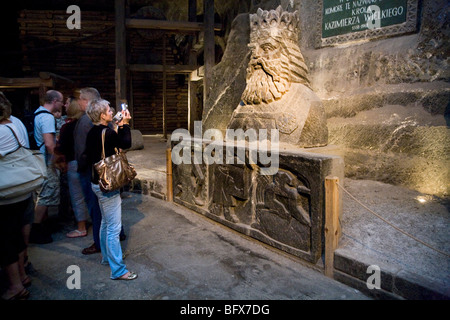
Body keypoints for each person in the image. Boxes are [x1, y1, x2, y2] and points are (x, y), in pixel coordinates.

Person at [84, 99, 137, 280]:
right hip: (108, 185)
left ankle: (106, 258)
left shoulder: (93, 131)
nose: (111, 111)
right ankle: (118, 270)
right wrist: (125, 125)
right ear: (102, 115)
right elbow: (126, 143)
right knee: (114, 227)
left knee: (106, 223)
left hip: (95, 182)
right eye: (108, 109)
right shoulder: (106, 132)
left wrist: (116, 124)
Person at [74, 87, 125, 255]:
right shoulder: (102, 128)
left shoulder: (89, 124)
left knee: (102, 215)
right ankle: (109, 253)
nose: (78, 102)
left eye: (81, 99)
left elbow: (84, 152)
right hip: (104, 174)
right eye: (109, 110)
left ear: (88, 102)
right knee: (108, 217)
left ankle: (108, 255)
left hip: (96, 173)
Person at [0, 92, 31, 299]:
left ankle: (15, 286)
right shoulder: (16, 123)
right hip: (23, 186)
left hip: (6, 192)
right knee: (18, 234)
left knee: (5, 239)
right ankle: (22, 274)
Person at [29, 90, 64, 244]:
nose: (62, 104)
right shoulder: (48, 117)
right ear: (55, 101)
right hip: (46, 161)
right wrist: (58, 161)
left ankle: (42, 226)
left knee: (41, 194)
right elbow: (50, 144)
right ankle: (35, 230)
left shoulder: (38, 113)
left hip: (37, 160)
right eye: (61, 101)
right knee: (46, 194)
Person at [54, 97, 89, 238]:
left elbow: (62, 147)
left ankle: (81, 227)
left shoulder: (67, 127)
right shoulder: (86, 123)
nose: (65, 105)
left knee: (77, 196)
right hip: (88, 162)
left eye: (67, 103)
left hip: (74, 163)